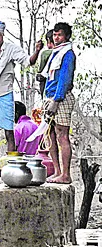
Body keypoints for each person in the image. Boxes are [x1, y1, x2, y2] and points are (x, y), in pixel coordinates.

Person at [0, 20, 40, 174]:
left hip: (5, 94)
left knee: (9, 131)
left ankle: (11, 168)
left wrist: (37, 51)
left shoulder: (11, 49)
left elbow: (28, 62)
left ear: (3, 35)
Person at [42, 22, 77, 184]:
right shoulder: (55, 53)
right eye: (55, 35)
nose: (57, 38)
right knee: (50, 135)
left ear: (66, 36)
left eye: (60, 35)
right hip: (49, 97)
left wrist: (56, 100)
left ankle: (65, 174)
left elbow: (64, 79)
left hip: (60, 98)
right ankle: (57, 171)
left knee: (62, 135)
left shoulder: (68, 54)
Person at [36, 30, 55, 95]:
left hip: (48, 89)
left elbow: (41, 72)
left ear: (49, 40)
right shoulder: (65, 53)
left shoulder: (45, 54)